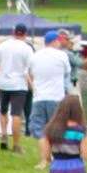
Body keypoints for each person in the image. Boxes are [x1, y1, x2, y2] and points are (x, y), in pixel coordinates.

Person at [26, 31, 72, 166]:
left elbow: (28, 74)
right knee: (57, 129)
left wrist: (34, 87)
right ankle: (58, 158)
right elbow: (67, 74)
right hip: (56, 97)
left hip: (39, 97)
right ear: (55, 41)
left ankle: (44, 159)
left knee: (39, 129)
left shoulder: (35, 56)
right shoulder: (62, 56)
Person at [0, 23, 33, 152]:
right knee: (16, 114)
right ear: (25, 34)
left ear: (13, 32)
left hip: (3, 83)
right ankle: (16, 145)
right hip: (19, 84)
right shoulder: (27, 48)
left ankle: (4, 136)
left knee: (3, 111)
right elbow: (30, 69)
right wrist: (32, 84)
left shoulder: (3, 45)